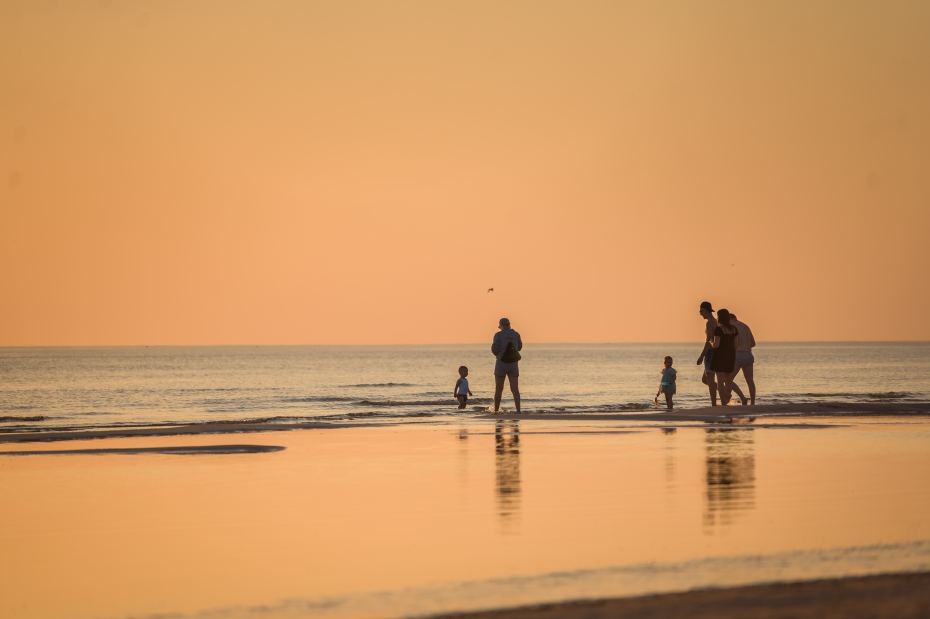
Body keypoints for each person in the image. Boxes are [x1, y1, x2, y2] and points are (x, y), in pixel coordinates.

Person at [491, 317, 522, 413]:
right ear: (509, 324)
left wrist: (499, 355)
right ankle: (518, 410)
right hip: (513, 364)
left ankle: (496, 410)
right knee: (515, 389)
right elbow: (519, 347)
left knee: (499, 389)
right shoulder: (516, 334)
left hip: (501, 363)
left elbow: (494, 348)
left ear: (500, 326)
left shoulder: (498, 335)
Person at [709, 309, 739, 405]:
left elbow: (716, 345)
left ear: (720, 317)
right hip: (730, 356)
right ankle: (727, 399)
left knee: (720, 381)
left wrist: (711, 342)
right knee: (728, 380)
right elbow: (736, 344)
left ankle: (723, 402)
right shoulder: (734, 329)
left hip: (720, 357)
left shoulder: (719, 329)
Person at [729, 313, 756, 405]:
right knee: (750, 381)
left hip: (738, 355)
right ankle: (752, 403)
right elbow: (753, 343)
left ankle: (735, 398)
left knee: (728, 379)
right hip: (748, 354)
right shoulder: (746, 326)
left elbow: (732, 343)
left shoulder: (733, 327)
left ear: (730, 320)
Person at [696, 301, 719, 405]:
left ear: (706, 311)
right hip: (713, 352)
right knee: (705, 379)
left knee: (709, 379)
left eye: (701, 311)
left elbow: (709, 341)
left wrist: (701, 355)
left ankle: (714, 403)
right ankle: (726, 393)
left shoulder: (710, 322)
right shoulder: (714, 321)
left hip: (711, 352)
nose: (700, 313)